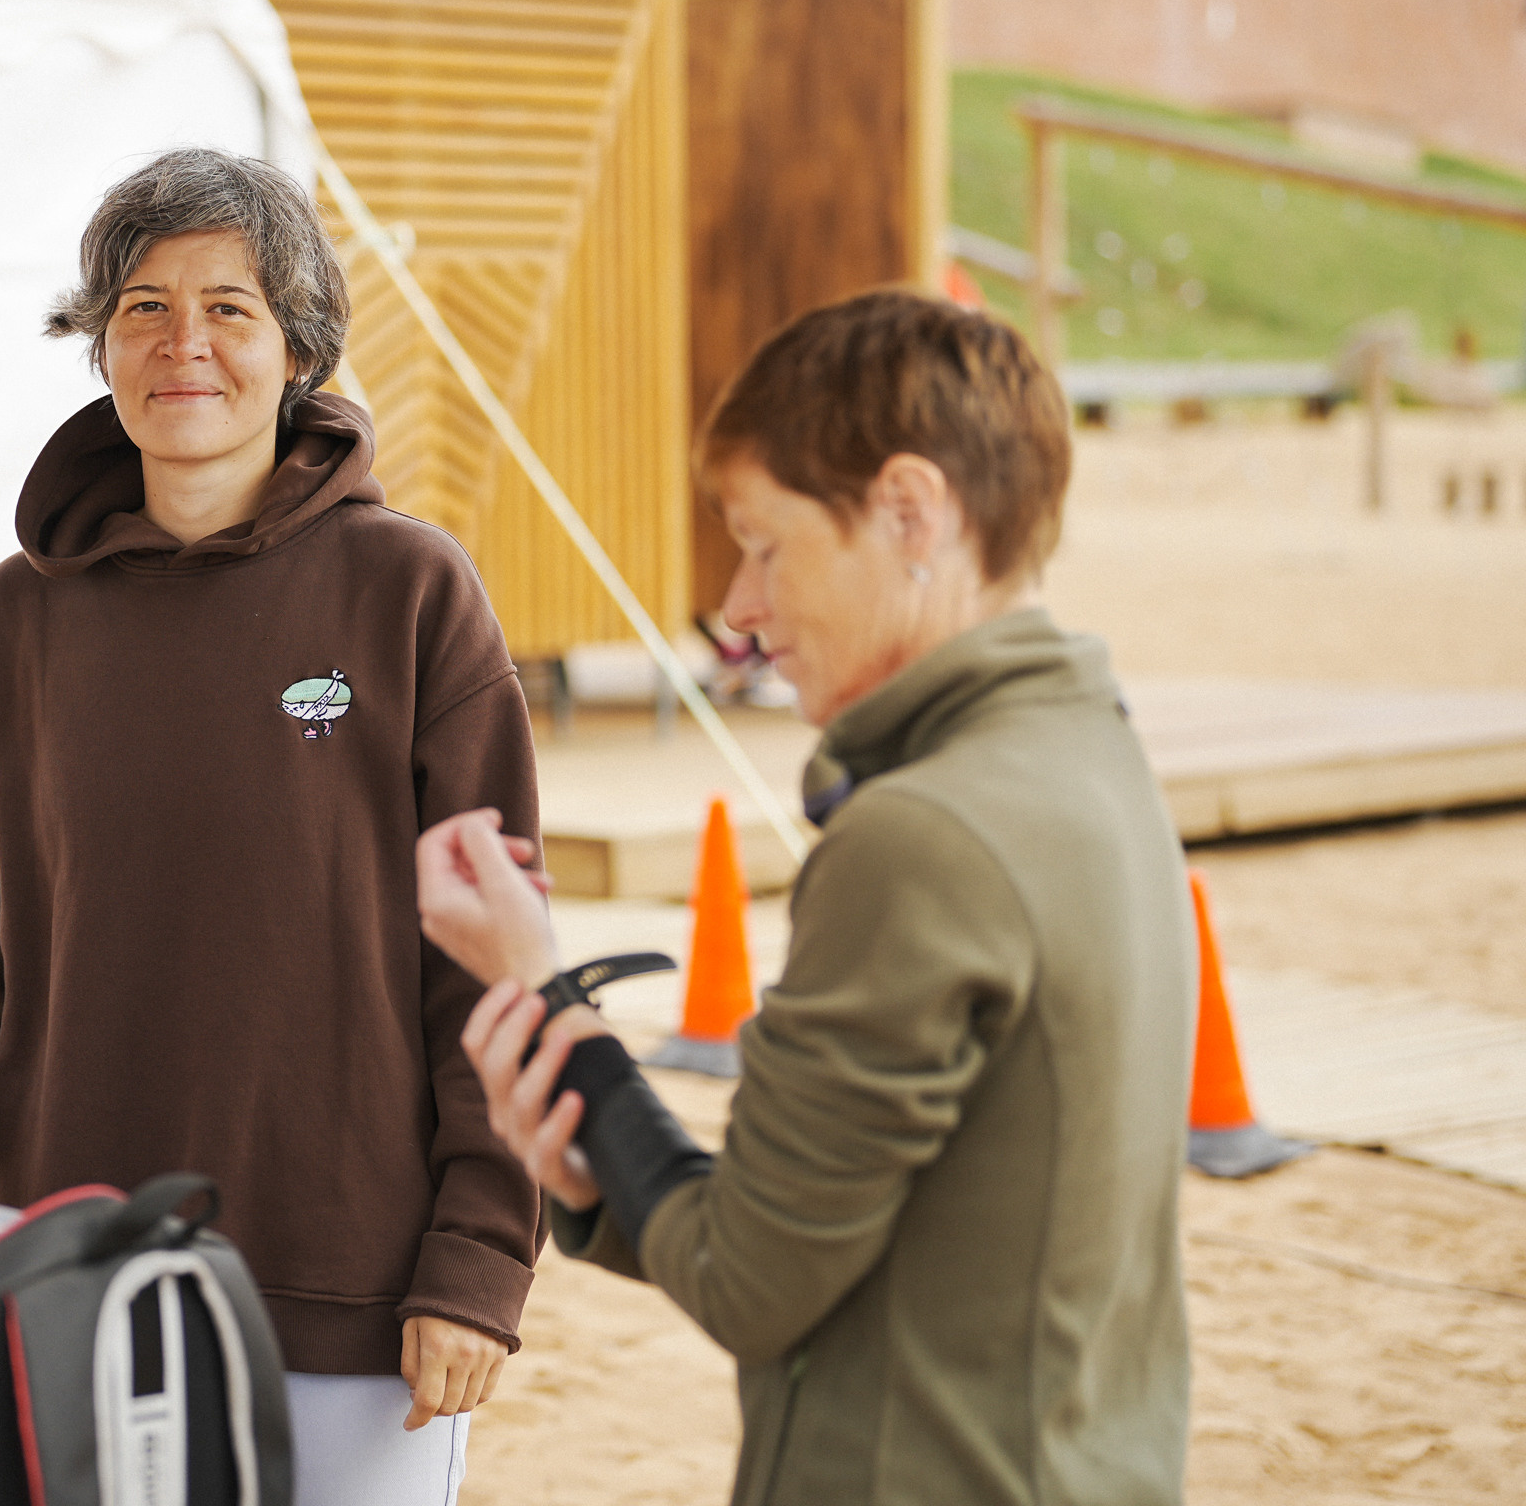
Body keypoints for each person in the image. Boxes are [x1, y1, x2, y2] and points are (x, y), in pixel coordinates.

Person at [0, 147, 542, 1504]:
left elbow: (493, 963)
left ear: (298, 349)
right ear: (101, 347)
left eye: (230, 307)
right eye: (144, 309)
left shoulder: (410, 593)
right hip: (82, 1281)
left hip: (354, 1298)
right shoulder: (18, 620)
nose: (186, 345)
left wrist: (477, 1259)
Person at [419, 290, 1197, 1504]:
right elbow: (843, 1225)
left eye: (766, 544)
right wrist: (597, 1170)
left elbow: (750, 1280)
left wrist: (553, 1010)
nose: (739, 606)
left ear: (910, 511)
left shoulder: (922, 833)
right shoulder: (1092, 751)